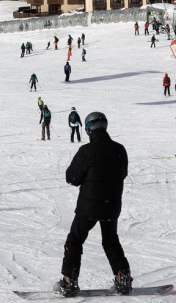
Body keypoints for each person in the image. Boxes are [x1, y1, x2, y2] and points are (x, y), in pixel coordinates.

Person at [55, 112, 132, 297]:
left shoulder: (86, 151)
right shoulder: (120, 149)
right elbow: (123, 173)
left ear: (89, 129)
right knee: (111, 241)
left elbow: (72, 177)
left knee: (75, 240)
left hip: (88, 207)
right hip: (111, 206)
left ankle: (69, 281)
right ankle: (123, 280)